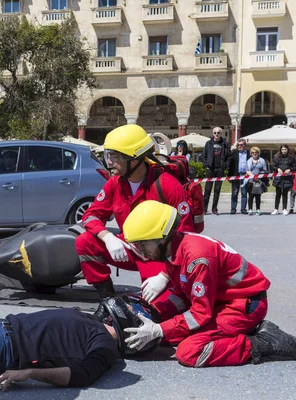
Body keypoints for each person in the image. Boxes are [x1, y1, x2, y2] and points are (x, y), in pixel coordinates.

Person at [121, 200, 296, 367]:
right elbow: (182, 296)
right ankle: (235, 333)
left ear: (162, 237)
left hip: (245, 305)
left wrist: (158, 329)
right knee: (167, 335)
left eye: (143, 244)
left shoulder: (196, 257)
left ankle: (263, 343)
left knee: (189, 352)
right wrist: (156, 313)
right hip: (221, 301)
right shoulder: (175, 247)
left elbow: (199, 314)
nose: (141, 251)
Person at [75, 124, 194, 321]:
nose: (110, 162)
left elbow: (186, 237)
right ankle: (108, 302)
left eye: (115, 157)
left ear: (135, 158)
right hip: (129, 249)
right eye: (108, 156)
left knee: (155, 312)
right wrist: (107, 238)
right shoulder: (115, 183)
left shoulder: (167, 186)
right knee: (85, 241)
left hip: (159, 258)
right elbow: (90, 215)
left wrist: (164, 276)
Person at [0, 307, 121, 391]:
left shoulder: (105, 344)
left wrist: (29, 373)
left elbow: (83, 375)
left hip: (4, 347)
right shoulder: (91, 319)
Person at [201, 127, 230, 215]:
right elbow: (203, 156)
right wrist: (206, 165)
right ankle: (204, 209)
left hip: (219, 169)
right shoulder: (208, 143)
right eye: (215, 133)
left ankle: (214, 209)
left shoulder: (224, 144)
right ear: (212, 133)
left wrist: (225, 166)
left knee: (217, 190)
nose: (216, 134)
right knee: (207, 191)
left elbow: (229, 156)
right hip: (210, 169)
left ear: (220, 133)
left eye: (218, 133)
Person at [270, 145, 296, 215]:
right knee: (278, 194)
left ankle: (284, 209)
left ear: (288, 150)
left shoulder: (291, 157)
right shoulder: (277, 156)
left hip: (287, 178)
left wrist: (290, 169)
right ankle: (276, 209)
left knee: (285, 194)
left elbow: (295, 166)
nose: (284, 151)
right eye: (282, 149)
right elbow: (272, 165)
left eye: (285, 149)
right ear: (280, 150)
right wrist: (277, 169)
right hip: (278, 178)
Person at [228, 138, 248, 215]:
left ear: (245, 145)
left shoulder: (249, 153)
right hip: (236, 175)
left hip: (245, 175)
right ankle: (233, 208)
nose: (239, 146)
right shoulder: (234, 154)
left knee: (244, 193)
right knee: (234, 193)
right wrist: (229, 176)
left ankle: (243, 209)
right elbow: (231, 166)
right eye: (238, 145)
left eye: (241, 145)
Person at [246, 146, 267, 216]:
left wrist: (258, 176)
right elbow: (247, 170)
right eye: (253, 152)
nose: (254, 154)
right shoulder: (249, 161)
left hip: (259, 181)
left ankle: (258, 209)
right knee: (250, 196)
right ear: (251, 153)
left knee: (258, 196)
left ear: (258, 153)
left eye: (256, 152)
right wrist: (252, 176)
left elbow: (265, 170)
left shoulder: (262, 160)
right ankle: (250, 209)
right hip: (251, 181)